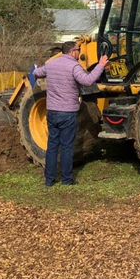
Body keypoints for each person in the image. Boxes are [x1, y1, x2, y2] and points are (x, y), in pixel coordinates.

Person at [33, 41, 109, 186]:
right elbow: (88, 81)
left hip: (52, 113)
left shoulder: (51, 65)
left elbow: (37, 73)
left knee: (53, 146)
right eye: (78, 50)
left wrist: (35, 71)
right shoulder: (74, 67)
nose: (79, 52)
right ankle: (67, 180)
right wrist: (100, 65)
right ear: (72, 51)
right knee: (67, 147)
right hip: (67, 113)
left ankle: (49, 180)